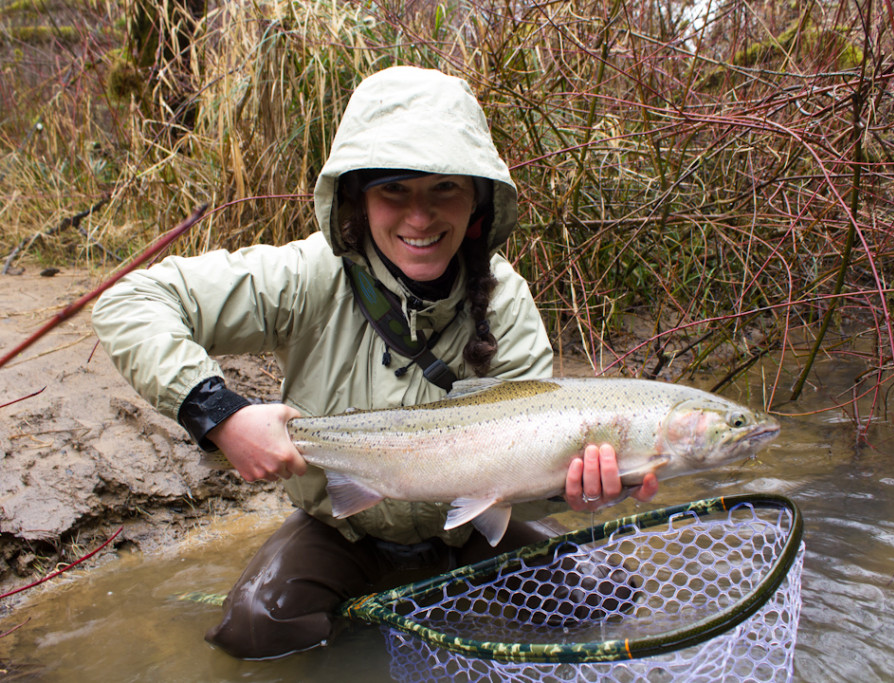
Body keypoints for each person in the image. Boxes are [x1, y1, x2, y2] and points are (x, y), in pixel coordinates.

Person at [91, 65, 658, 660]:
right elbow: (131, 301)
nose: (420, 217)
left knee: (602, 596)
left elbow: (528, 458)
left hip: (464, 526)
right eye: (395, 189)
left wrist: (574, 491)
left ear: (478, 205)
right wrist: (220, 414)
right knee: (255, 630)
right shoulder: (307, 274)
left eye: (444, 189)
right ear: (358, 199)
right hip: (344, 529)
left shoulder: (506, 300)